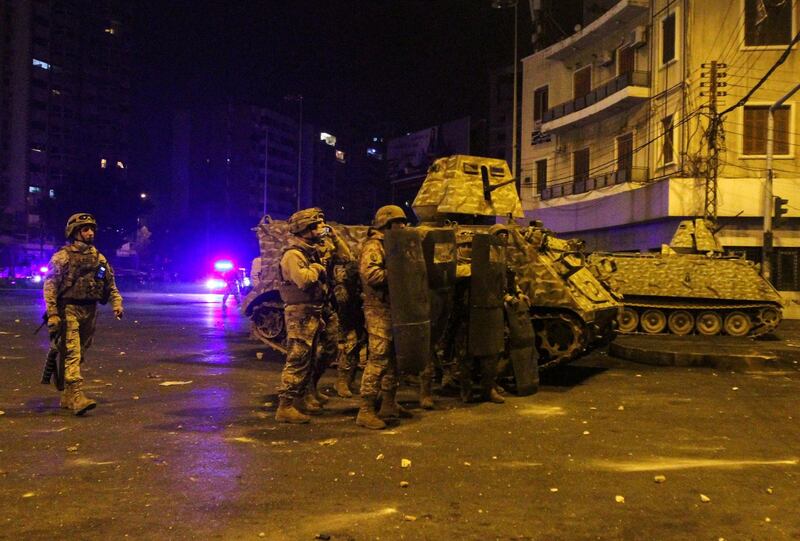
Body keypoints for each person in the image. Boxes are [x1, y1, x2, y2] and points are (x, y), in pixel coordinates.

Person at [43, 213, 123, 416]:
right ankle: (77, 396)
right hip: (68, 309)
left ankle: (68, 396)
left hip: (90, 310)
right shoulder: (63, 257)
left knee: (81, 352)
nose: (90, 233)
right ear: (74, 232)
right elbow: (50, 286)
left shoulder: (99, 258)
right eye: (85, 229)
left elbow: (108, 282)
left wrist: (117, 303)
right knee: (72, 351)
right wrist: (52, 314)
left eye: (91, 229)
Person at [274, 208, 338, 423]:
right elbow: (303, 280)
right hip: (300, 313)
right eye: (317, 224)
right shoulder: (294, 254)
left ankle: (303, 395)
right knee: (297, 359)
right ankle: (285, 406)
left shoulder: (311, 250)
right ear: (305, 228)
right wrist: (317, 269)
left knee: (311, 357)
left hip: (313, 310)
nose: (322, 228)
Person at [356, 205, 413, 430]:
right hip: (378, 308)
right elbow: (371, 275)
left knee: (393, 360)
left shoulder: (393, 244)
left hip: (394, 307)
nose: (403, 226)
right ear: (387, 224)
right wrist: (398, 272)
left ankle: (388, 404)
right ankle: (366, 410)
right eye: (399, 222)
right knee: (378, 359)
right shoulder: (374, 246)